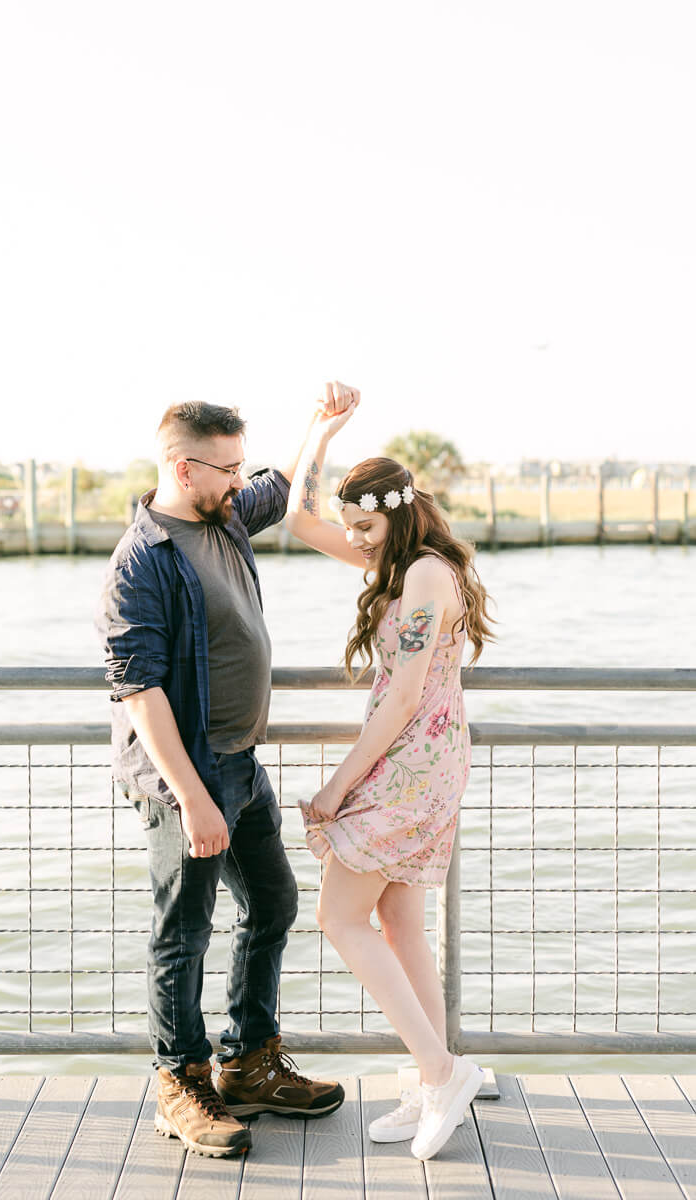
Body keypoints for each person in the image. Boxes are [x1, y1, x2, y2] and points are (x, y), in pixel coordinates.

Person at [97, 393, 355, 1159]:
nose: (242, 481)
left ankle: (249, 1063)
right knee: (182, 934)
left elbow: (288, 486)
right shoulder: (140, 561)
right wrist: (192, 797)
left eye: (243, 466)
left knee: (272, 904)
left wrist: (321, 431)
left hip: (241, 765)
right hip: (188, 779)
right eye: (229, 467)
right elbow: (138, 690)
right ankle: (181, 1083)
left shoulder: (227, 516)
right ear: (184, 466)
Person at [284, 385, 495, 1161]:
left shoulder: (426, 578)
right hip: (419, 762)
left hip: (409, 765)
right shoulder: (398, 560)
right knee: (400, 922)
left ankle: (443, 1073)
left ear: (399, 514)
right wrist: (320, 432)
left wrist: (338, 788)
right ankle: (431, 1074)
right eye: (353, 528)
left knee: (340, 919)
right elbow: (299, 520)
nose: (354, 540)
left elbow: (404, 694)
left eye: (366, 526)